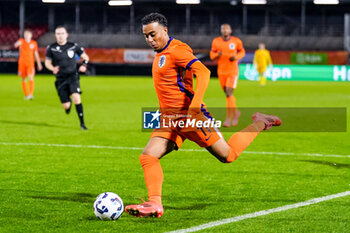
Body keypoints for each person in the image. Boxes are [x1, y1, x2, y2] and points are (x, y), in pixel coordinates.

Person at [125, 13, 281, 218]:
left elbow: (204, 72)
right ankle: (155, 204)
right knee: (148, 156)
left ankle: (261, 122)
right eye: (146, 36)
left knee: (228, 155)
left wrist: (195, 105)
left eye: (153, 34)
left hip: (190, 118)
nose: (150, 40)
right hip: (170, 120)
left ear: (165, 30)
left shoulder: (177, 50)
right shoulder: (163, 52)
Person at [45, 26, 89, 130]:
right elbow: (47, 63)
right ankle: (67, 105)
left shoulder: (73, 46)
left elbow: (85, 57)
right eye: (58, 34)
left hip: (73, 77)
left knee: (77, 98)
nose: (60, 36)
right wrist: (52, 68)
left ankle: (82, 124)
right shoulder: (51, 48)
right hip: (60, 79)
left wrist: (84, 65)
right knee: (66, 106)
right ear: (55, 35)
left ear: (66, 35)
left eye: (62, 33)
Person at [210, 24, 245, 127]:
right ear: (221, 31)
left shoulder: (236, 41)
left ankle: (229, 119)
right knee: (227, 94)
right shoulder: (216, 41)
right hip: (221, 72)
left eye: (226, 29)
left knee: (229, 93)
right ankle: (236, 113)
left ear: (230, 30)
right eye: (223, 29)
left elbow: (242, 51)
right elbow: (212, 55)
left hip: (233, 71)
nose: (225, 31)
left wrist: (236, 57)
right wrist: (217, 55)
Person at [14, 29, 43, 100]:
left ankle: (30, 94)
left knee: (30, 77)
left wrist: (39, 64)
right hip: (22, 63)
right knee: (23, 78)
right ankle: (26, 94)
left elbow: (36, 54)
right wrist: (17, 44)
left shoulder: (34, 43)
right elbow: (15, 45)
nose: (26, 35)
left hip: (30, 63)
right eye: (25, 34)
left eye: (28, 34)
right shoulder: (21, 41)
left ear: (31, 35)